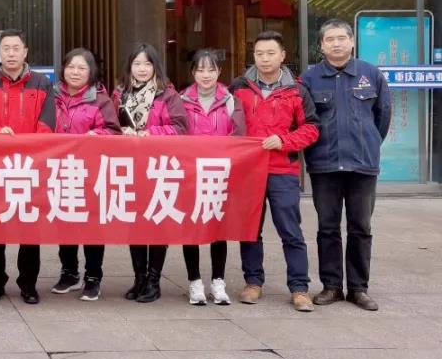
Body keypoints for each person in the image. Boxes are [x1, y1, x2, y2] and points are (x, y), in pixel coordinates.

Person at [302, 19, 391, 311]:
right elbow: (305, 120)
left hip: (362, 165)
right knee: (327, 228)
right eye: (330, 39)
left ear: (352, 42)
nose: (336, 43)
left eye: (342, 38)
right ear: (321, 45)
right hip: (324, 165)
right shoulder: (310, 78)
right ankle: (331, 286)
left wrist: (367, 144)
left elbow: (382, 117)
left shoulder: (371, 74)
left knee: (360, 227)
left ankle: (358, 288)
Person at [230, 31, 320, 312]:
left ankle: (299, 288)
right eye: (259, 54)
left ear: (282, 56)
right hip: (248, 170)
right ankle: (253, 282)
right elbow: (226, 124)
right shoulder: (239, 88)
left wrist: (284, 141)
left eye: (271, 53)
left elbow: (312, 128)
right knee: (249, 230)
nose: (265, 59)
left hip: (283, 169)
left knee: (290, 231)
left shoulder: (297, 90)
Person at [0, 29, 55, 305]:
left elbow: (48, 123)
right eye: (6, 48)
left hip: (31, 167)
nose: (11, 53)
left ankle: (28, 284)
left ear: (25, 51)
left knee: (29, 229)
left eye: (16, 48)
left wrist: (30, 146)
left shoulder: (42, 83)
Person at [113, 43, 188, 303]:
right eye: (137, 64)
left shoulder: (168, 95)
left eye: (147, 63)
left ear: (156, 67)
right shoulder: (119, 93)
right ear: (129, 67)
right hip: (130, 167)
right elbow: (111, 126)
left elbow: (180, 128)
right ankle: (139, 278)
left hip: (159, 167)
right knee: (134, 224)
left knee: (157, 221)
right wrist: (122, 132)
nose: (142, 69)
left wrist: (150, 133)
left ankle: (154, 281)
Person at [49, 47, 120, 302]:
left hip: (91, 172)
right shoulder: (52, 96)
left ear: (91, 72)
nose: (75, 72)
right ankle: (69, 272)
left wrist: (95, 136)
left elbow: (113, 131)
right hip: (59, 170)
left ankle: (93, 276)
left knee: (91, 225)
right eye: (71, 67)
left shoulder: (100, 100)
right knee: (64, 222)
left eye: (82, 68)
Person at [179, 49, 245, 306]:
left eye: (211, 70)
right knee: (191, 229)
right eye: (200, 70)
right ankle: (194, 282)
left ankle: (218, 281)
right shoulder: (181, 100)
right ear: (192, 73)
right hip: (190, 174)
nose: (205, 75)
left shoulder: (230, 100)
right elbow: (176, 134)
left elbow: (238, 135)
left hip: (220, 173)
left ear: (219, 72)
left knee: (218, 227)